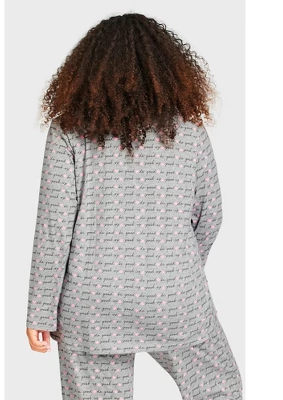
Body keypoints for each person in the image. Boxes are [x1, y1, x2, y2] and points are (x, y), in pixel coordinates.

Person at [25, 12, 243, 400]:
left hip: (92, 302)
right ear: (169, 68)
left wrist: (40, 311)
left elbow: (54, 227)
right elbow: (210, 213)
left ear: (87, 69)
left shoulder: (69, 130)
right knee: (217, 387)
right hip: (174, 294)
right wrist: (178, 268)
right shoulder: (189, 129)